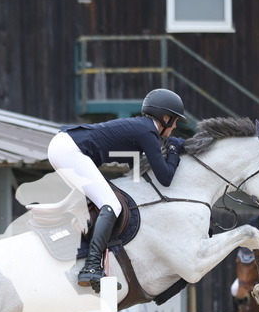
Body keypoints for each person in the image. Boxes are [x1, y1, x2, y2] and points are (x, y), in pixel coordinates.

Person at [48, 88, 187, 291]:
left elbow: (138, 171)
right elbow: (165, 178)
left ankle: (85, 256)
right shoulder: (148, 132)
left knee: (104, 201)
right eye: (174, 121)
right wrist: (174, 149)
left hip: (64, 147)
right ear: (165, 118)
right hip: (69, 150)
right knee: (111, 203)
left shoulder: (142, 130)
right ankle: (92, 266)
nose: (174, 127)